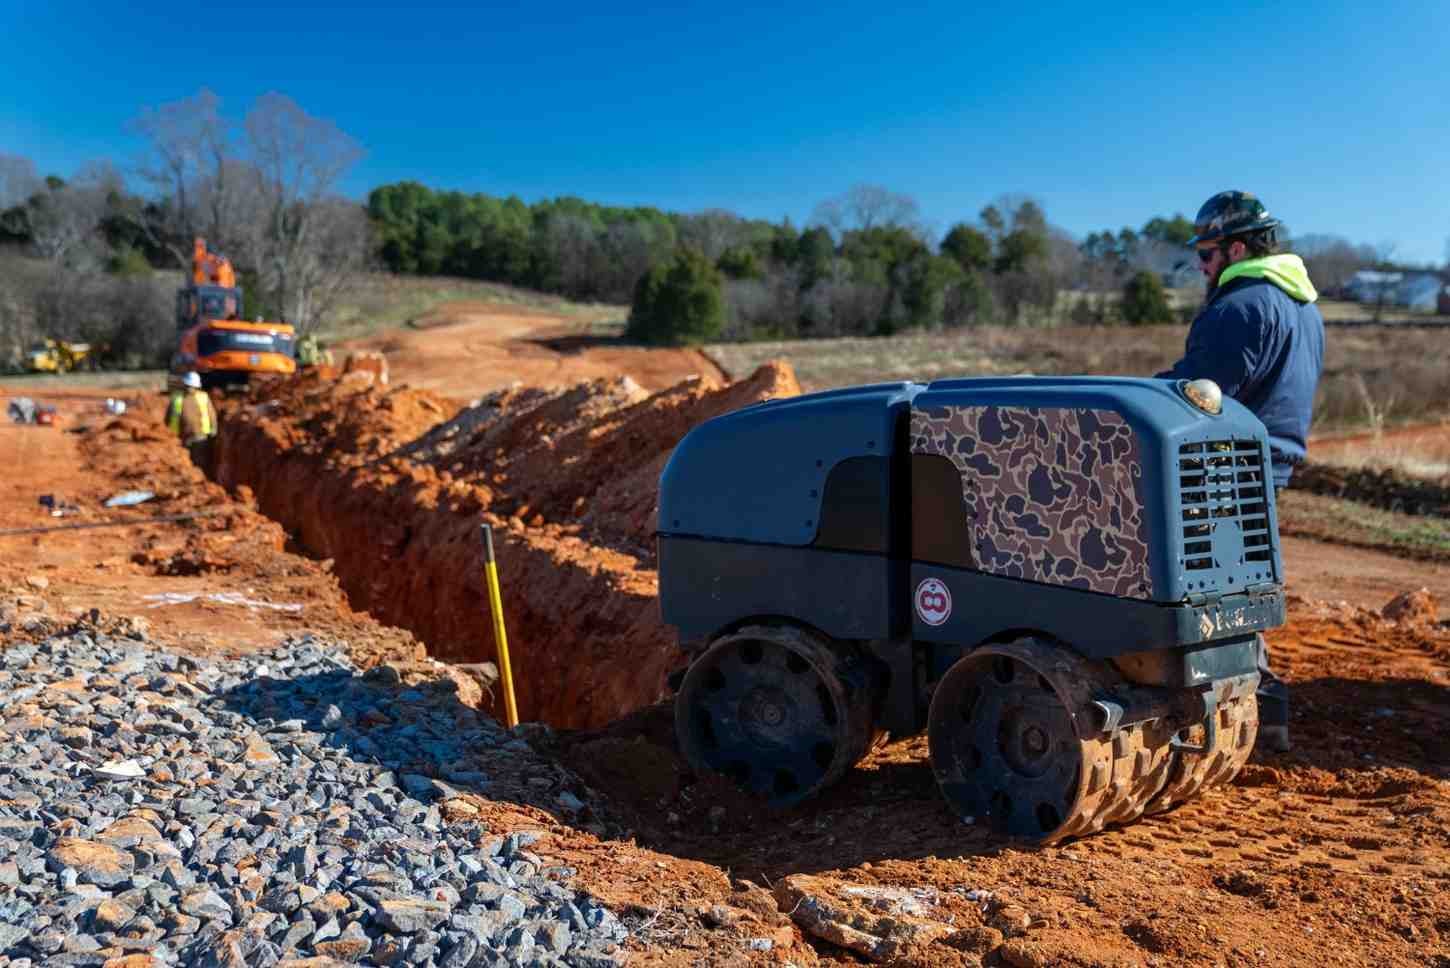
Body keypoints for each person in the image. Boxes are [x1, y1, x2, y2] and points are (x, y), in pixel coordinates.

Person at [1157, 190, 1325, 754]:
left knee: (1206, 593)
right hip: (1269, 463)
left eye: (1205, 255)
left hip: (1224, 467)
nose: (1201, 267)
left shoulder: (1241, 306)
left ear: (1233, 248)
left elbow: (1197, 397)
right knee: (1242, 587)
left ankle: (1222, 715)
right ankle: (1263, 719)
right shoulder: (1301, 305)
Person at [165, 371, 218, 471]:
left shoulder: (203, 397)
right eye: (188, 385)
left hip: (200, 436)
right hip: (181, 438)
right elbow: (168, 417)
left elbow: (212, 415)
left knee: (200, 462)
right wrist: (169, 434)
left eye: (191, 386)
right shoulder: (177, 398)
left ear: (196, 386)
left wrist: (213, 430)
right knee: (184, 463)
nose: (189, 388)